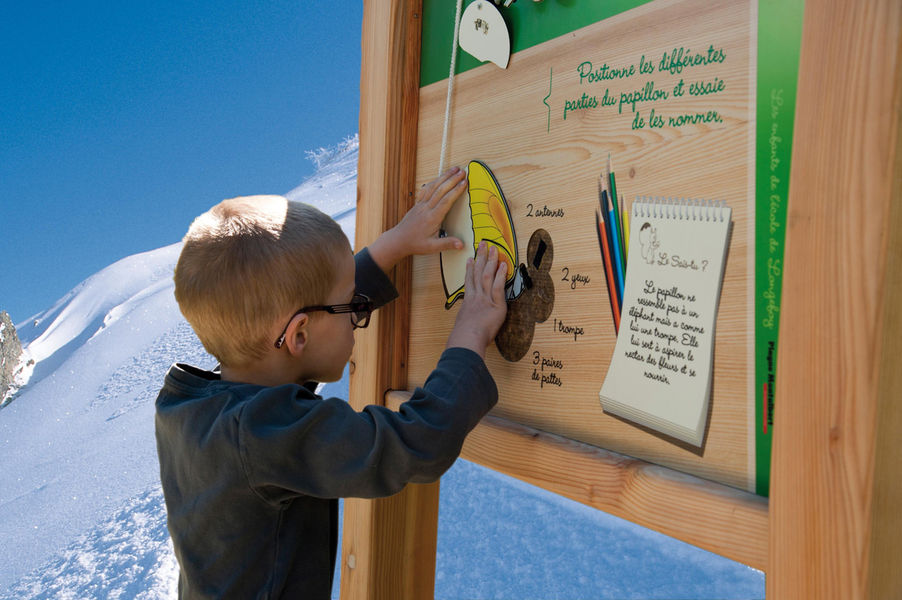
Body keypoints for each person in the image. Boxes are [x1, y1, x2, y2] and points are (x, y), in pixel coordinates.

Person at [155, 167, 508, 599]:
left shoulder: (194, 407)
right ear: (299, 336)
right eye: (351, 306)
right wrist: (471, 332)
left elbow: (310, 304)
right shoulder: (264, 435)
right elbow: (416, 443)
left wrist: (394, 245)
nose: (357, 315)